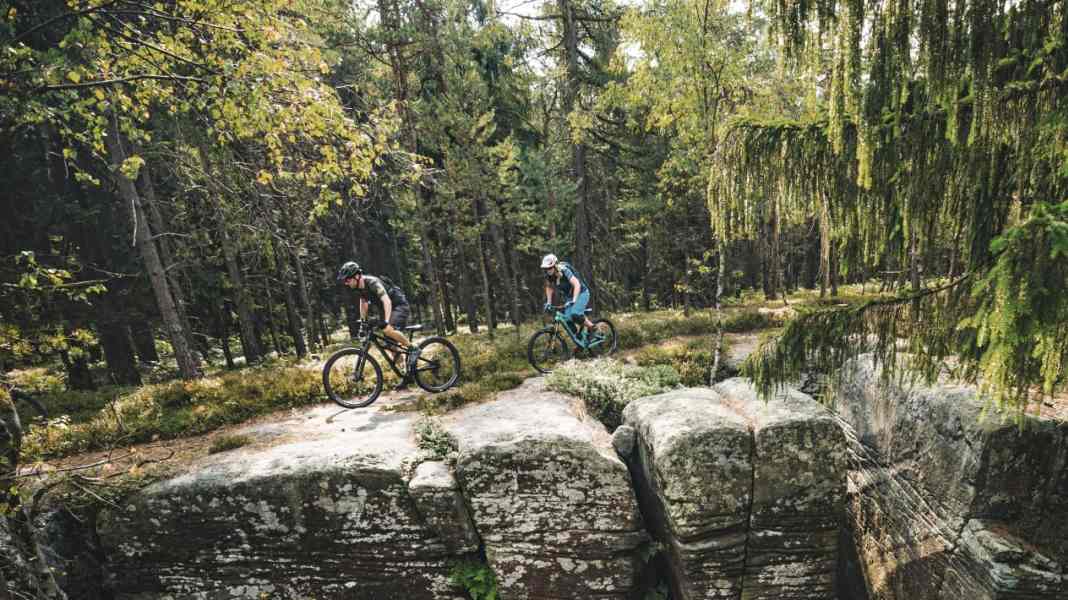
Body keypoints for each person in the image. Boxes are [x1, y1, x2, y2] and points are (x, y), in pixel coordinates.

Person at [337, 261, 415, 386]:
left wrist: (386, 321)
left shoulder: (372, 282)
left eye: (347, 280)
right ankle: (407, 374)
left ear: (357, 276)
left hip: (398, 306)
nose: (346, 283)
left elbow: (386, 301)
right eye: (345, 281)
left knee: (388, 329)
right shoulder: (359, 288)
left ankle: (413, 349)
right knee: (390, 345)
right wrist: (363, 323)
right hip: (387, 309)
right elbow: (364, 304)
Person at [541, 254, 595, 338]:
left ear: (555, 265)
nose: (548, 270)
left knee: (575, 314)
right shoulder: (549, 276)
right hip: (569, 297)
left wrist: (574, 300)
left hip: (582, 293)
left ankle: (592, 328)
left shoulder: (564, 270)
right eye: (546, 269)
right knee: (567, 319)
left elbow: (576, 284)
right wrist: (548, 302)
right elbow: (549, 287)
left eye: (550, 268)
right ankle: (579, 339)